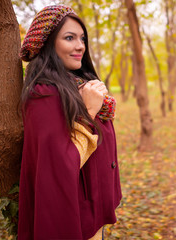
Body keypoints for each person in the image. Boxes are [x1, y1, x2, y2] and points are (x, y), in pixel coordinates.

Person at [18, 5, 122, 240]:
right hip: (75, 219)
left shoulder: (77, 83)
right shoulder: (43, 94)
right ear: (47, 44)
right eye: (69, 38)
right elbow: (59, 166)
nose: (80, 46)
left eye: (82, 38)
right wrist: (89, 111)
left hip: (94, 212)